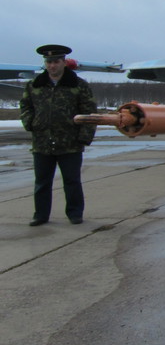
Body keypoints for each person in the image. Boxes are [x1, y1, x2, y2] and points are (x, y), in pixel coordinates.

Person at [19, 44, 97, 226]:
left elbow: (89, 113)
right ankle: (40, 215)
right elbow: (26, 107)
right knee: (42, 183)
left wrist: (84, 137)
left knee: (72, 181)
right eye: (49, 62)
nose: (52, 65)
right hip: (42, 142)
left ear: (63, 63)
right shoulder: (35, 85)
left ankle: (75, 213)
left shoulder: (78, 86)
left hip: (70, 143)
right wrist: (30, 123)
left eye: (56, 62)